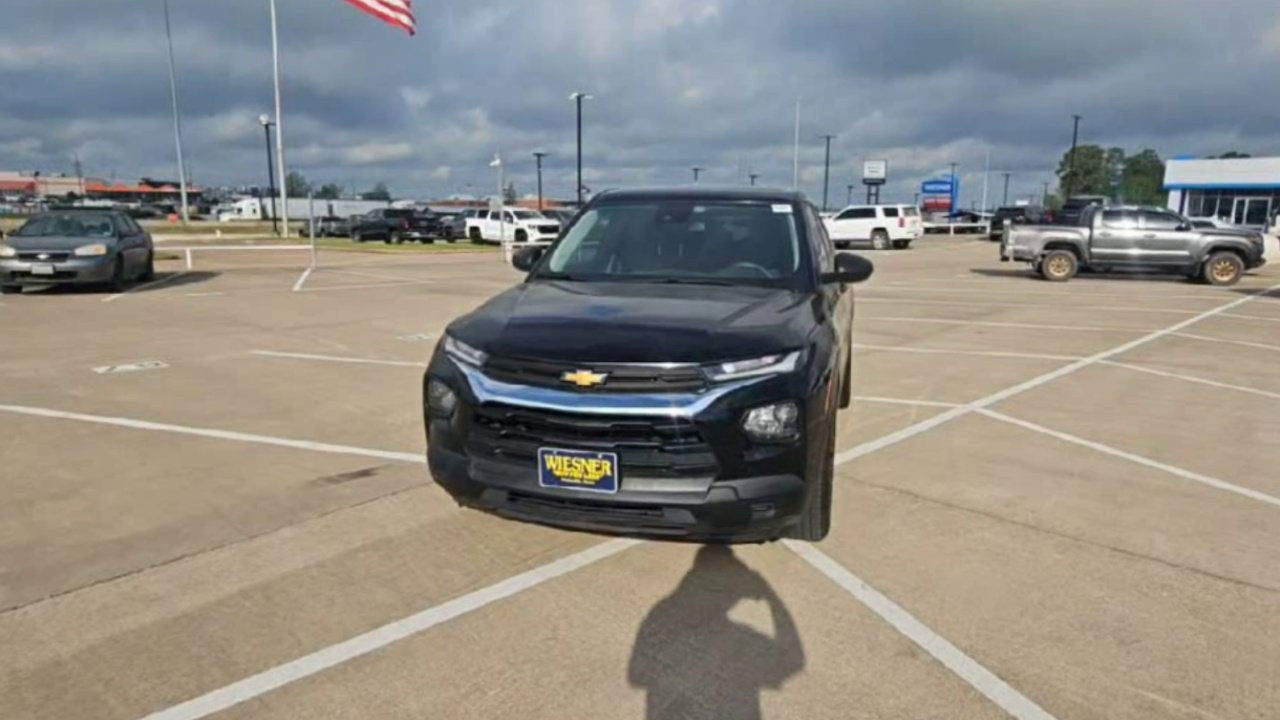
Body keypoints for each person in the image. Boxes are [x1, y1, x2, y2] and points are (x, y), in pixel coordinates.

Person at [628, 546, 805, 720]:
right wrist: (771, 597)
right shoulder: (740, 640)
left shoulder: (661, 615)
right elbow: (792, 660)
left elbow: (637, 675)